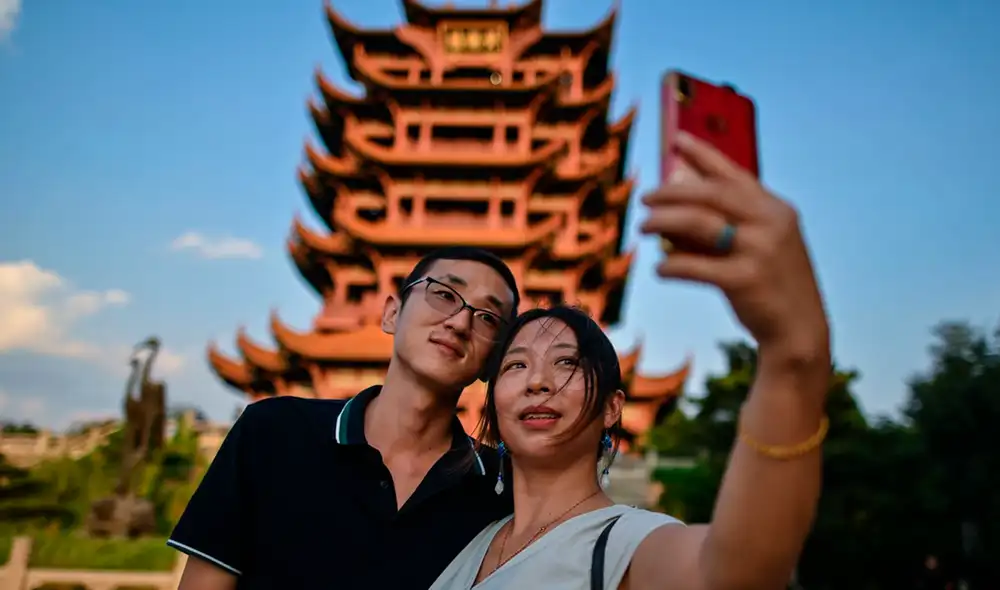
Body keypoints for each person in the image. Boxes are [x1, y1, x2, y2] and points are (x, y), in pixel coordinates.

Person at [430, 131, 832, 590]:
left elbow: (733, 574)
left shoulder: (630, 542)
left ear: (612, 407)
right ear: (494, 404)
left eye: (567, 364)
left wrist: (792, 358)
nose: (537, 382)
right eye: (516, 365)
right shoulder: (463, 544)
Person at [168, 246, 519, 589]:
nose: (460, 322)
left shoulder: (499, 491)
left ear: (493, 361)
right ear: (392, 314)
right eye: (443, 294)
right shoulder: (273, 432)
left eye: (488, 317)